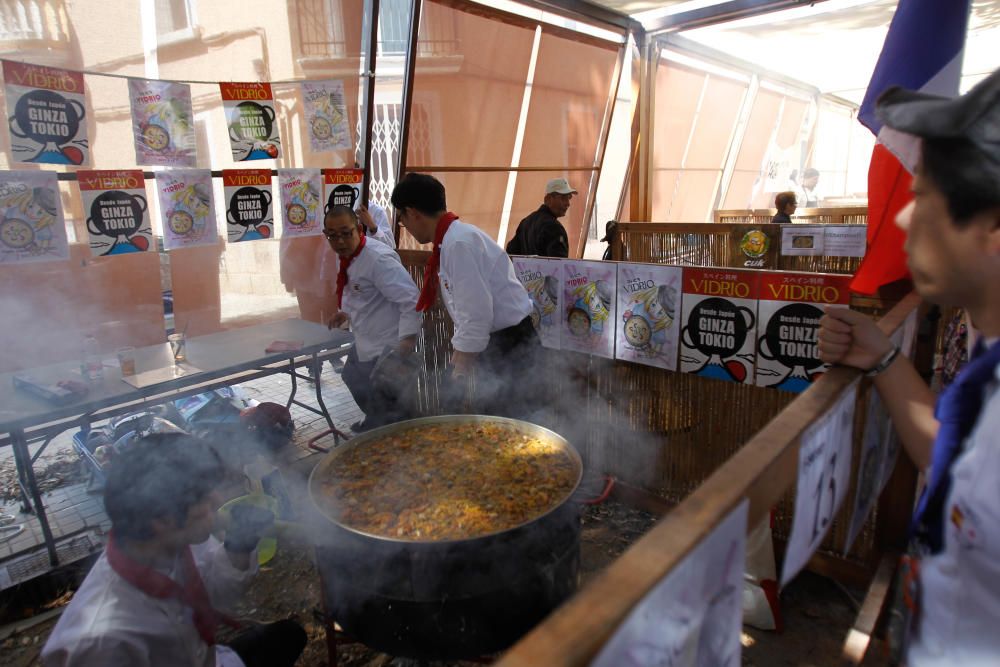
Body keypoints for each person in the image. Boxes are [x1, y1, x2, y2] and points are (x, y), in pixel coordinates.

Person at [817, 68, 1000, 665]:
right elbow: (952, 451)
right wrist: (882, 355)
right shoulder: (981, 347)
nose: (900, 219)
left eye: (921, 197)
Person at [42, 434, 307, 667]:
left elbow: (217, 596)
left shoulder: (177, 539)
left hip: (208, 658)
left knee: (288, 636)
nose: (217, 501)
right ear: (162, 519)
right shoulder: (100, 642)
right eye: (204, 496)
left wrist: (239, 545)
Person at [391, 173, 541, 417]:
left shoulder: (458, 244)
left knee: (516, 423)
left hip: (511, 344)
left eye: (402, 220)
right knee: (500, 419)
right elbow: (470, 316)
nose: (405, 226)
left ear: (412, 212)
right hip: (500, 343)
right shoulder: (452, 239)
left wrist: (457, 374)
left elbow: (476, 317)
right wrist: (457, 367)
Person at [323, 205, 422, 431]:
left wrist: (407, 340)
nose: (339, 241)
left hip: (388, 343)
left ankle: (396, 438)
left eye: (346, 233)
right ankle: (376, 426)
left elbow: (411, 300)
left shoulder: (378, 260)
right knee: (353, 377)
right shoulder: (348, 256)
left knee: (390, 400)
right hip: (365, 339)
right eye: (333, 235)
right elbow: (359, 294)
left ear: (359, 229)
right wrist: (345, 313)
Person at [505, 177, 576, 257]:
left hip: (526, 270)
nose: (568, 203)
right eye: (563, 198)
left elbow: (511, 252)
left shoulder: (525, 222)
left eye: (569, 198)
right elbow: (559, 264)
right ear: (548, 199)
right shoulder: (554, 227)